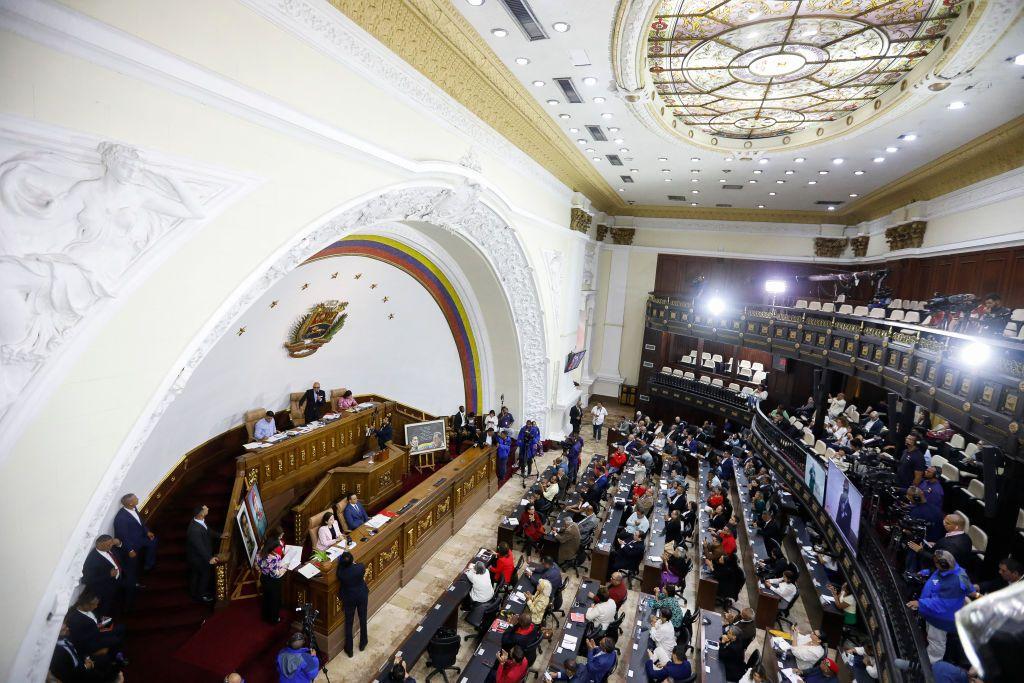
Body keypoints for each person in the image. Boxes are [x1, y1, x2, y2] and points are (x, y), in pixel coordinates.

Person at [908, 549, 972, 663]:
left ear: (943, 564)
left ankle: (931, 666)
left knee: (936, 644)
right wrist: (925, 572)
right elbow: (936, 576)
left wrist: (920, 603)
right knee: (930, 637)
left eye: (936, 563)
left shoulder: (957, 580)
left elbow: (943, 603)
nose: (935, 565)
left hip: (941, 618)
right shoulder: (947, 569)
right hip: (930, 613)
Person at [49, 618, 122, 683]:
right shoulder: (56, 653)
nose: (68, 629)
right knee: (102, 675)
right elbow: (69, 674)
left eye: (66, 626)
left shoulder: (66, 638)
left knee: (105, 659)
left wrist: (87, 658)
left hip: (82, 662)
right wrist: (86, 666)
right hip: (78, 675)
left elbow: (79, 649)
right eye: (64, 629)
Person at [113, 493, 158, 582]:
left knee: (153, 541)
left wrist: (147, 531)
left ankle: (149, 564)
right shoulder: (121, 518)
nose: (138, 498)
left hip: (141, 537)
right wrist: (130, 550)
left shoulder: (134, 508)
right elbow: (123, 536)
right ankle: (135, 581)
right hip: (132, 543)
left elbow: (140, 521)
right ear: (130, 503)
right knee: (133, 564)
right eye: (135, 498)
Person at [67, 592, 125, 657]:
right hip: (93, 640)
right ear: (86, 604)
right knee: (115, 640)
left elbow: (96, 618)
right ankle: (117, 656)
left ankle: (117, 652)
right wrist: (99, 628)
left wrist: (103, 622)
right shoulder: (76, 619)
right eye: (94, 605)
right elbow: (82, 638)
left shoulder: (89, 609)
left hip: (99, 630)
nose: (96, 606)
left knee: (121, 627)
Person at [907, 513, 972, 571]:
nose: (944, 524)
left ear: (956, 527)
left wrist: (920, 551)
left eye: (947, 523)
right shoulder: (966, 537)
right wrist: (937, 545)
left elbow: (938, 561)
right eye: (944, 521)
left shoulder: (951, 545)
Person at [336, 551, 370, 656]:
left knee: (349, 624)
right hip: (361, 595)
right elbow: (360, 565)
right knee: (363, 619)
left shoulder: (341, 573)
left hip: (349, 598)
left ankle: (349, 649)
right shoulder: (360, 568)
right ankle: (363, 642)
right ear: (352, 561)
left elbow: (340, 570)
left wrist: (341, 564)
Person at [82, 535, 125, 618]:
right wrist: (108, 575)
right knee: (109, 608)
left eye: (111, 543)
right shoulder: (92, 560)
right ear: (99, 545)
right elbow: (86, 580)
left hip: (118, 582)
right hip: (106, 589)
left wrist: (118, 543)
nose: (111, 546)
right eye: (108, 545)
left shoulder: (109, 548)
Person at [186, 504, 218, 603]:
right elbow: (200, 547)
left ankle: (193, 593)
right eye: (205, 508)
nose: (208, 508)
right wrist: (209, 558)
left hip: (198, 556)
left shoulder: (199, 521)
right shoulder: (195, 530)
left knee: (196, 575)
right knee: (205, 574)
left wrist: (220, 535)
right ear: (201, 514)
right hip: (198, 558)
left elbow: (208, 531)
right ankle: (201, 595)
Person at [258, 537, 287, 624]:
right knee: (274, 600)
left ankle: (265, 616)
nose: (278, 548)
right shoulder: (274, 558)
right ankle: (274, 619)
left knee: (266, 597)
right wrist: (285, 568)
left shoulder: (260, 553)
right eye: (276, 547)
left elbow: (259, 565)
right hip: (272, 581)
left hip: (264, 577)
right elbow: (276, 574)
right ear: (272, 548)